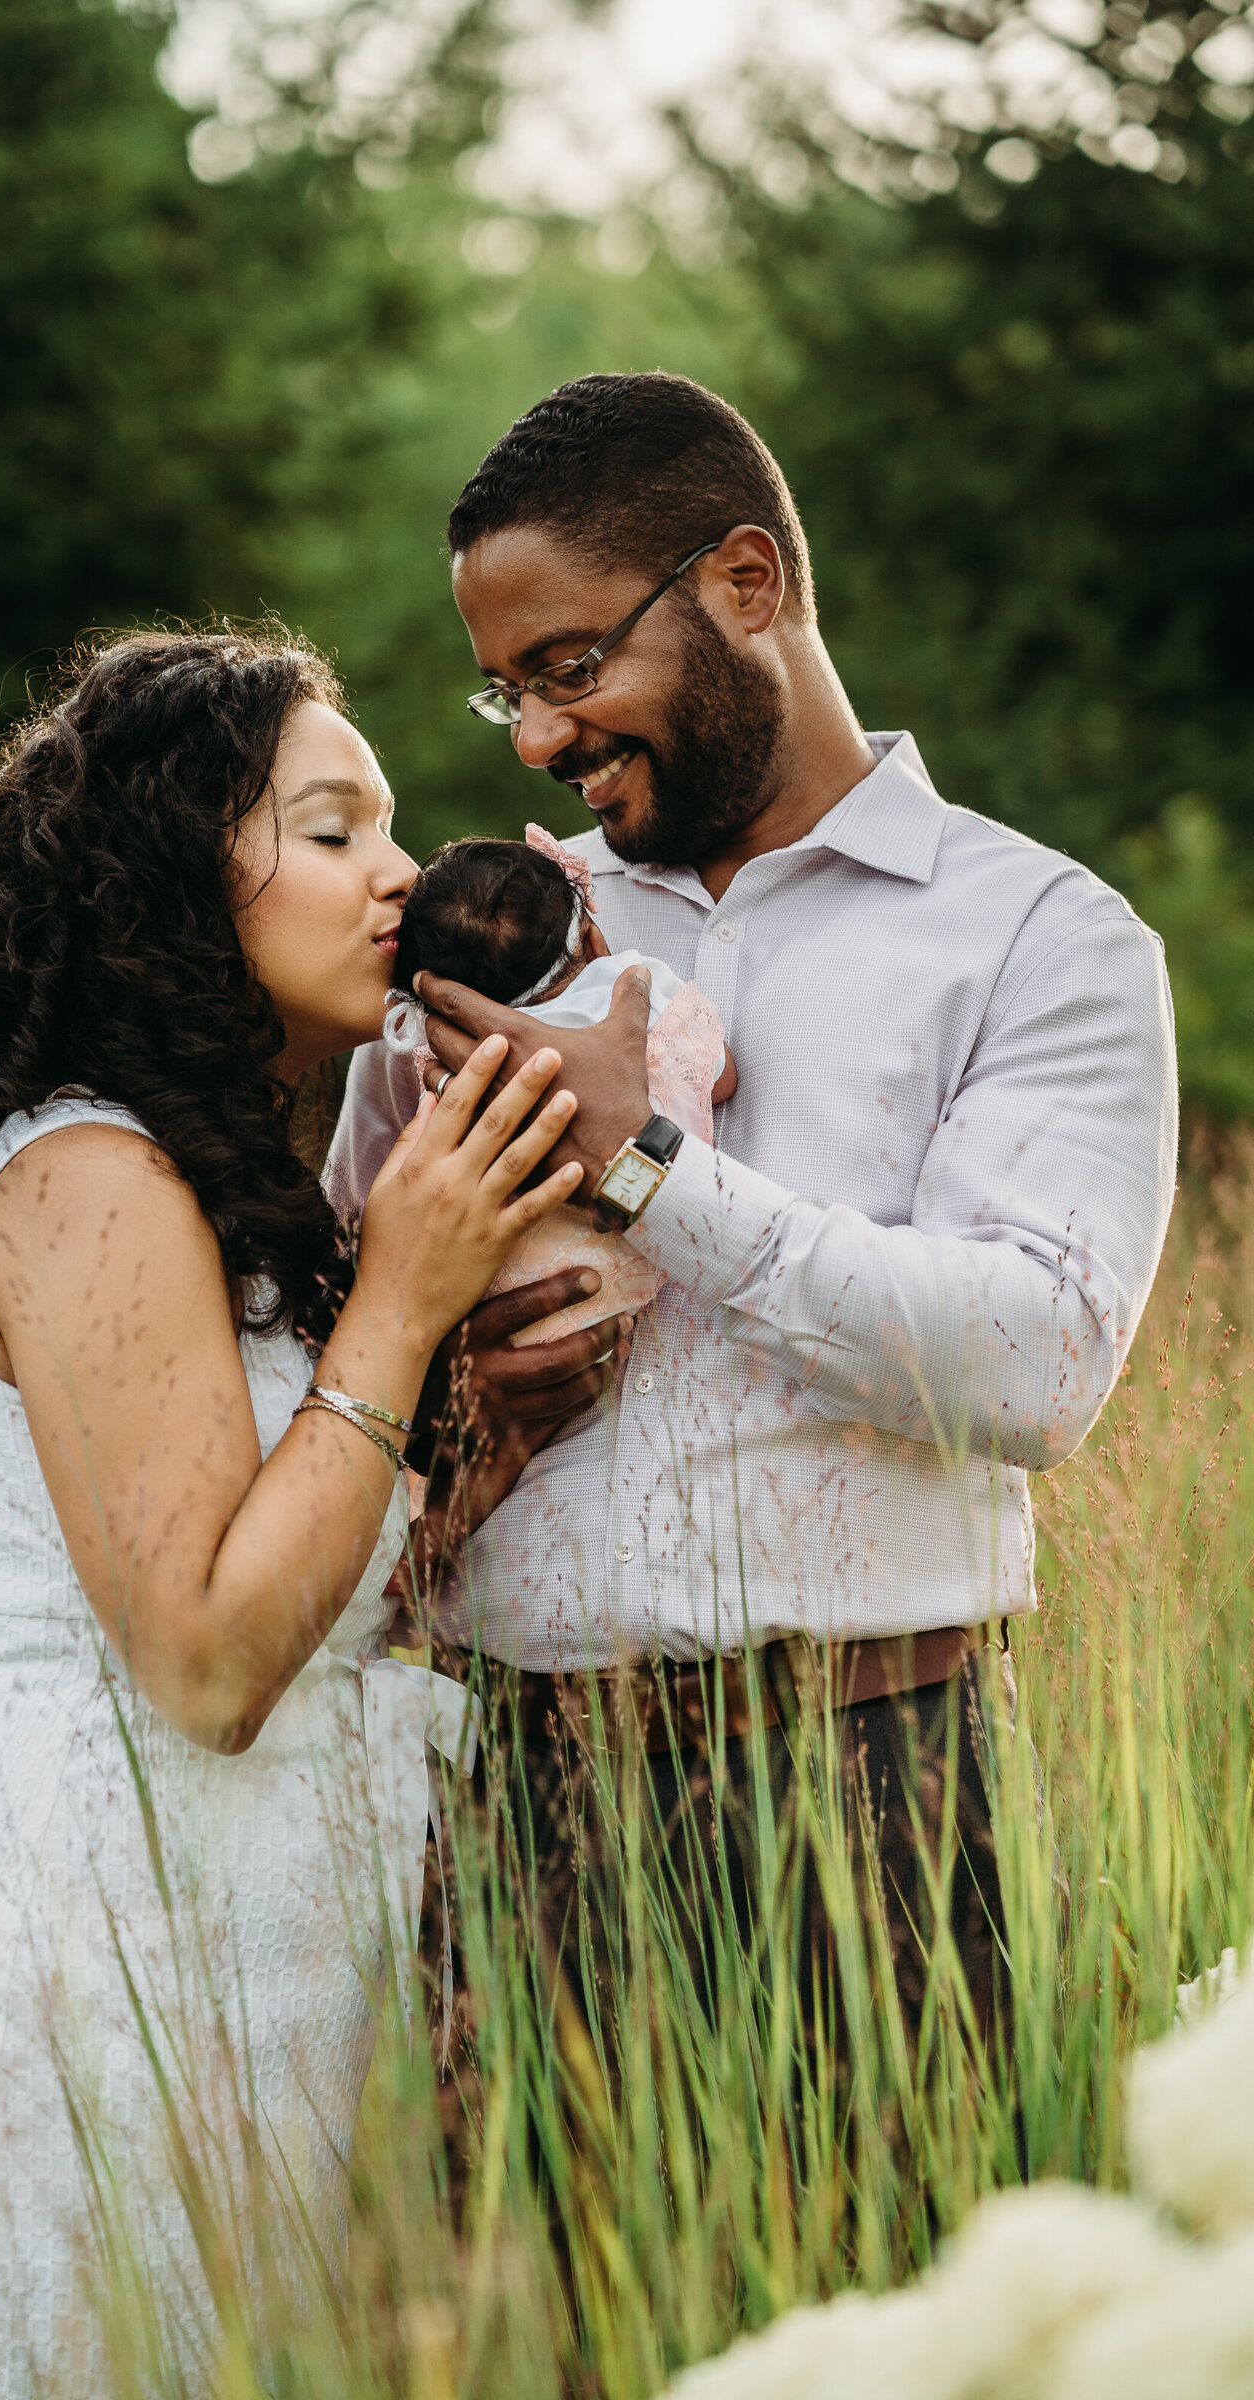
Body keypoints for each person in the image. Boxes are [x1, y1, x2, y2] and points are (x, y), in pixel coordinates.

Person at [0, 627, 608, 2399]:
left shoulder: (210, 1189)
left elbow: (291, 1581)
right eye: (333, 829)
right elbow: (212, 1663)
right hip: (54, 2026)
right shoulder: (90, 1176)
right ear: (172, 872)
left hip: (210, 2012)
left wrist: (478, 1455)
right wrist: (405, 1290)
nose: (397, 873)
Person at [326, 372, 1178, 2084]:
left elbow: (1035, 1368)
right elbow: (337, 1315)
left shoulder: (1040, 940)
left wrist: (648, 1170)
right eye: (508, 696)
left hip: (877, 1802)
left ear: (744, 583)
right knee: (539, 2349)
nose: (544, 737)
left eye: (570, 669)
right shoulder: (483, 939)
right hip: (518, 1809)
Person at [383, 821, 734, 1345]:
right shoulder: (636, 984)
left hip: (502, 1296)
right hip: (636, 1264)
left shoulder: (460, 1056)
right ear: (589, 931)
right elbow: (722, 1078)